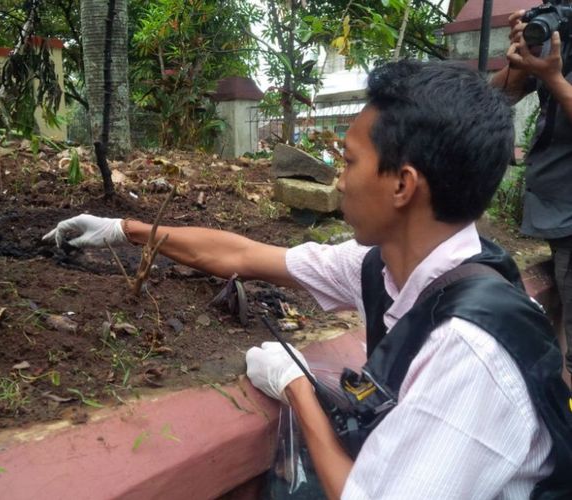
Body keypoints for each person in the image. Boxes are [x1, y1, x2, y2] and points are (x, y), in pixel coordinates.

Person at [45, 61, 571, 498]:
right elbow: (246, 255)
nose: (338, 179)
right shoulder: (390, 263)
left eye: (349, 160)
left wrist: (295, 386)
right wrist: (125, 230)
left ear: (402, 186)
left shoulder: (467, 355)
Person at [490, 4, 572, 377]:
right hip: (558, 211)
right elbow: (497, 98)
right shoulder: (560, 37)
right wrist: (521, 62)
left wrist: (553, 79)